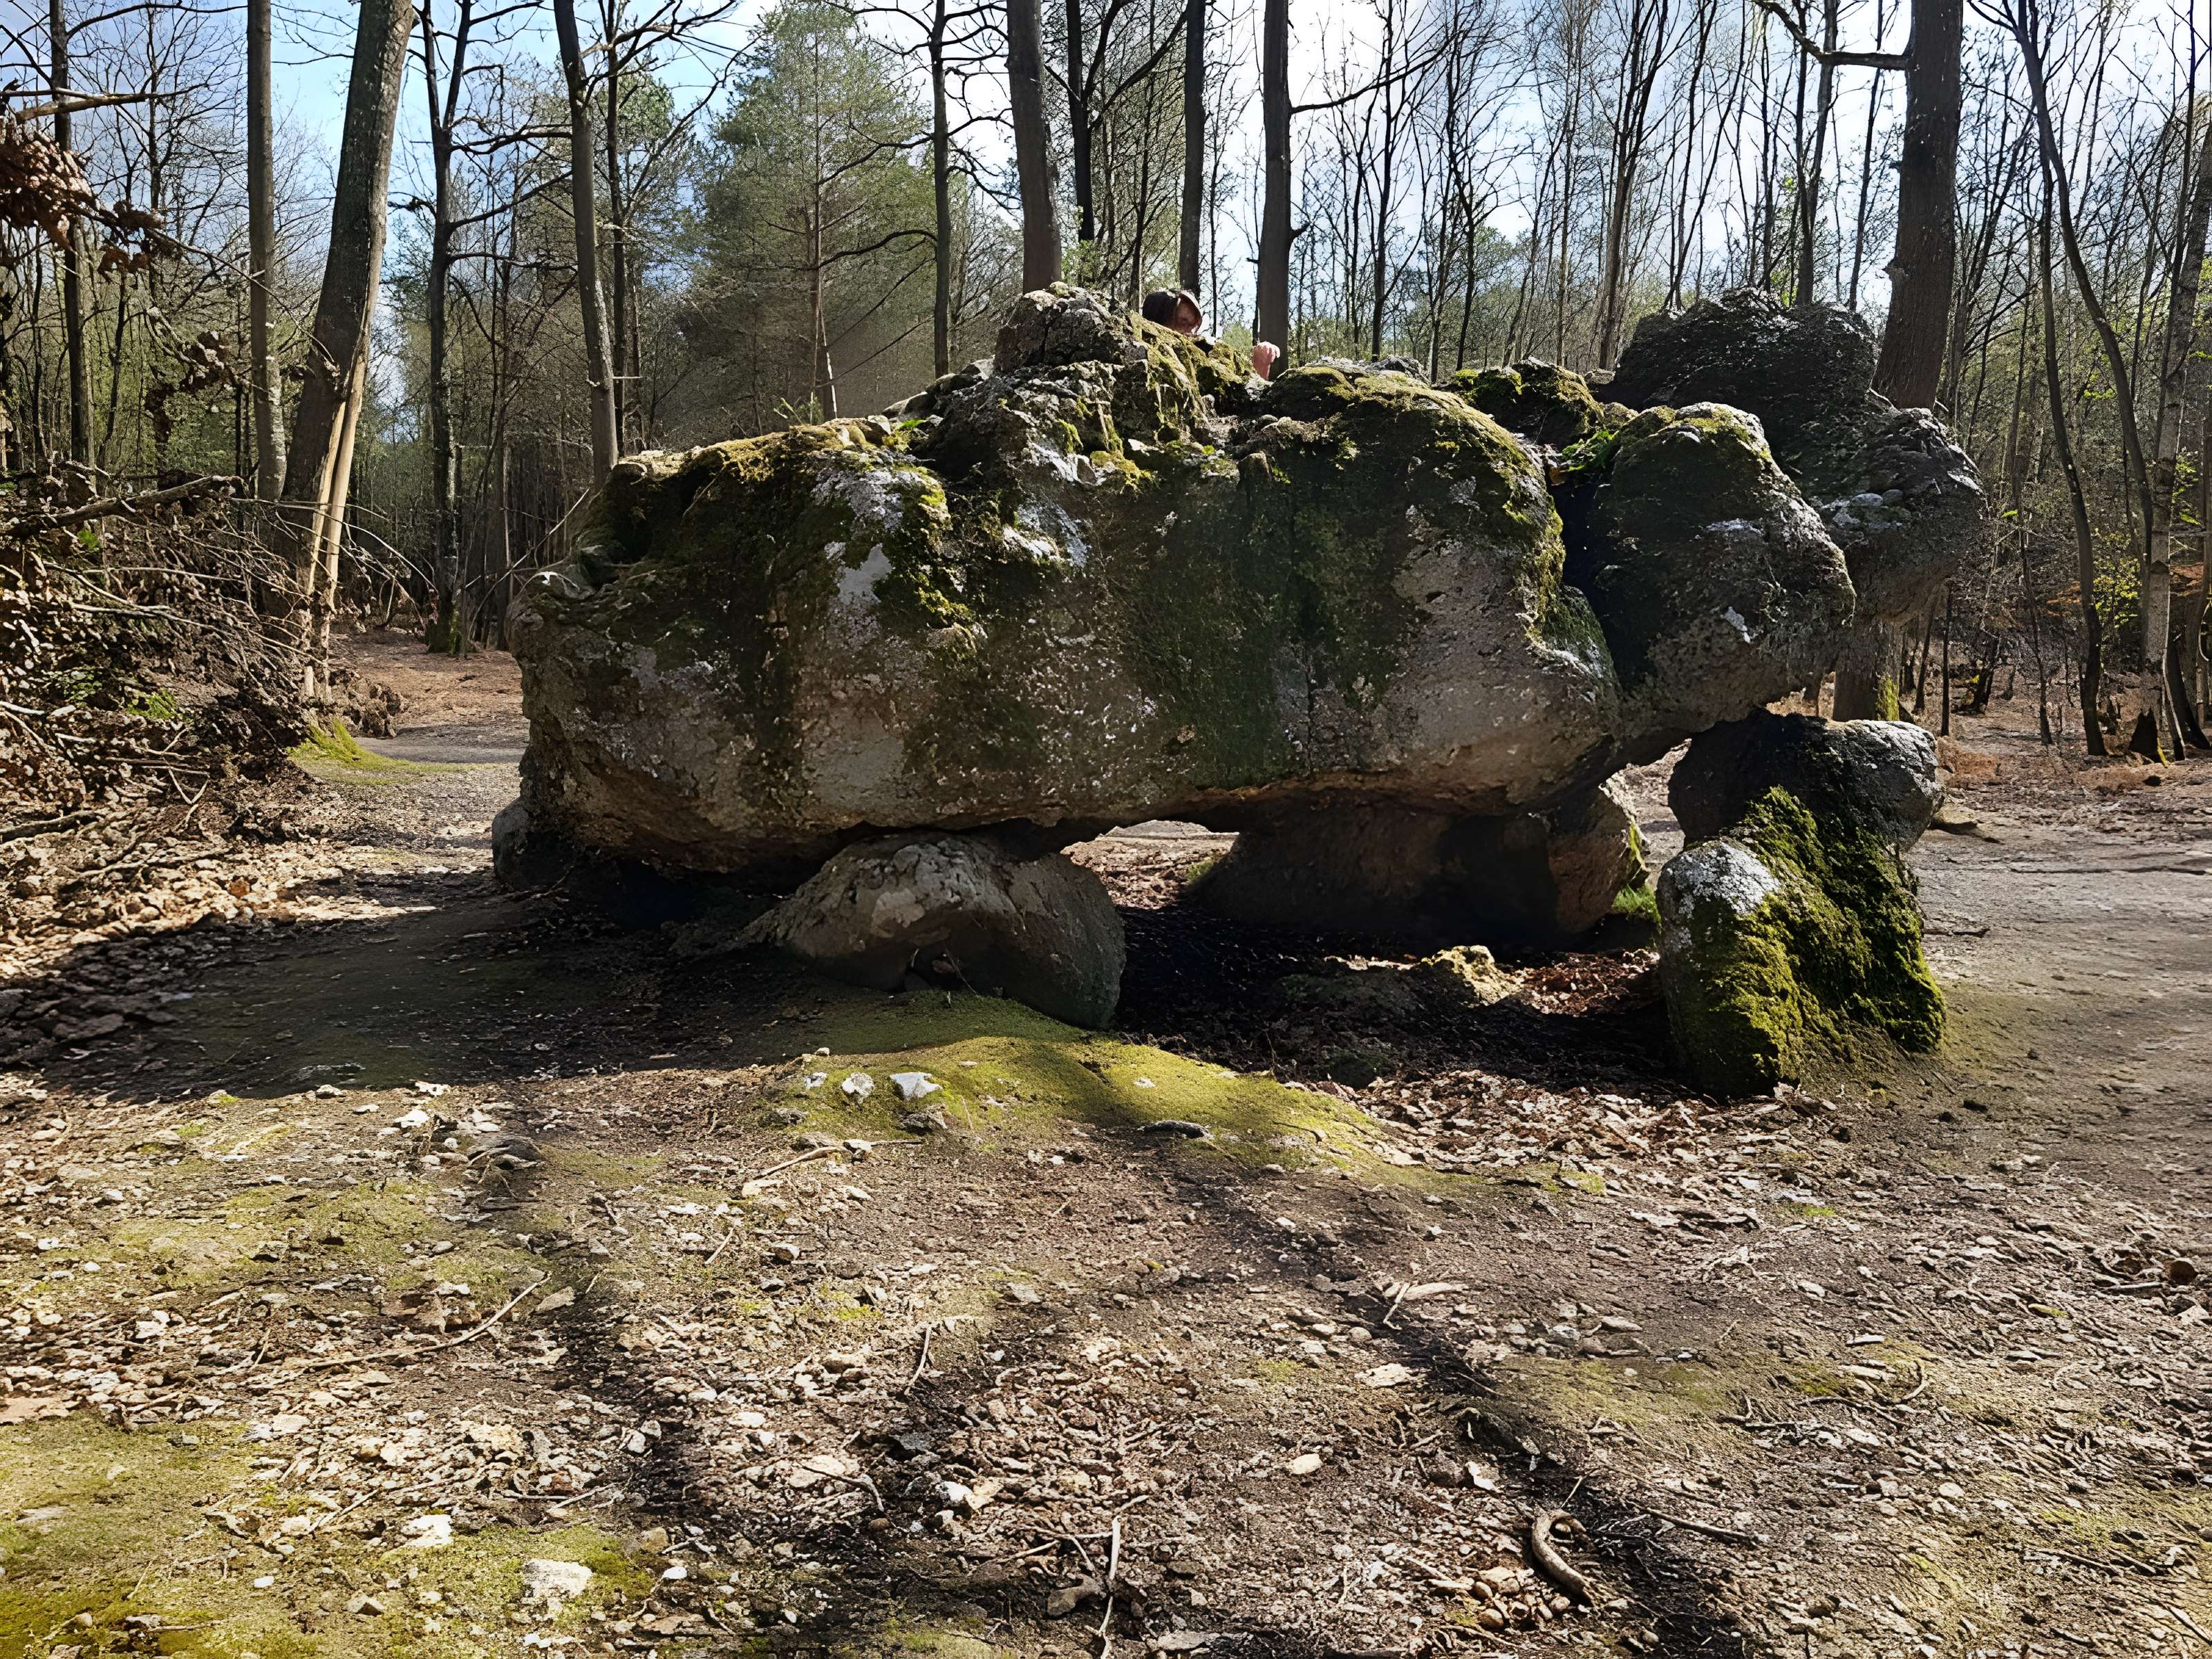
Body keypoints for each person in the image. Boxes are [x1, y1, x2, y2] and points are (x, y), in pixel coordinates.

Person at [1141, 287, 1280, 380]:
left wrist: (1261, 365)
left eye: (1193, 327)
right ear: (1158, 320)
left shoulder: (1206, 362)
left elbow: (1245, 403)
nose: (1189, 334)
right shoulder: (1143, 364)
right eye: (1183, 322)